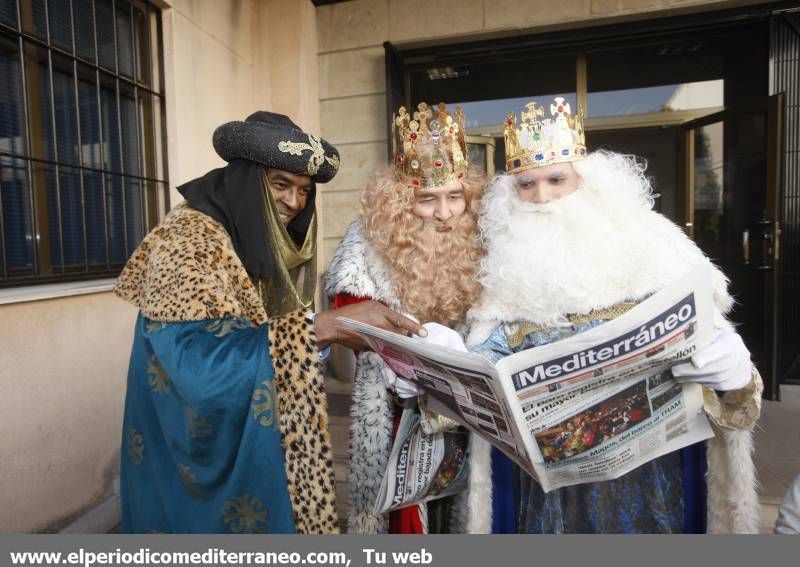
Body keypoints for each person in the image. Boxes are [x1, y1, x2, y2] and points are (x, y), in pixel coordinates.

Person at [114, 111, 425, 534]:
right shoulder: (187, 239)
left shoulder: (249, 231)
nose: (294, 203)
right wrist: (325, 327)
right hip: (192, 467)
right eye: (280, 184)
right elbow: (195, 368)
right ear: (246, 178)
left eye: (303, 190)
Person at [465, 98, 763, 533]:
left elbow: (734, 395)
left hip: (650, 483)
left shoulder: (656, 241)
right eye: (526, 185)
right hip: (547, 491)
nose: (542, 197)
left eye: (555, 179)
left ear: (586, 179)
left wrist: (735, 376)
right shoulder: (504, 265)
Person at [324, 102, 488, 534]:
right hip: (398, 417)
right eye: (427, 200)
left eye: (455, 197)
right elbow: (349, 319)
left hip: (471, 412)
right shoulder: (366, 246)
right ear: (399, 202)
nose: (445, 214)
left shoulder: (486, 241)